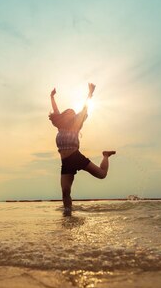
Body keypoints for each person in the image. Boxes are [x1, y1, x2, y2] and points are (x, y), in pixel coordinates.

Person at [49, 83, 115, 216]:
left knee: (102, 175)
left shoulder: (76, 126)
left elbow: (85, 108)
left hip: (76, 157)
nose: (70, 114)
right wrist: (52, 97)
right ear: (64, 116)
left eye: (73, 113)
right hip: (66, 162)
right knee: (65, 191)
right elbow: (56, 111)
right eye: (68, 112)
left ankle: (106, 156)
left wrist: (90, 93)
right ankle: (68, 216)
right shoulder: (60, 127)